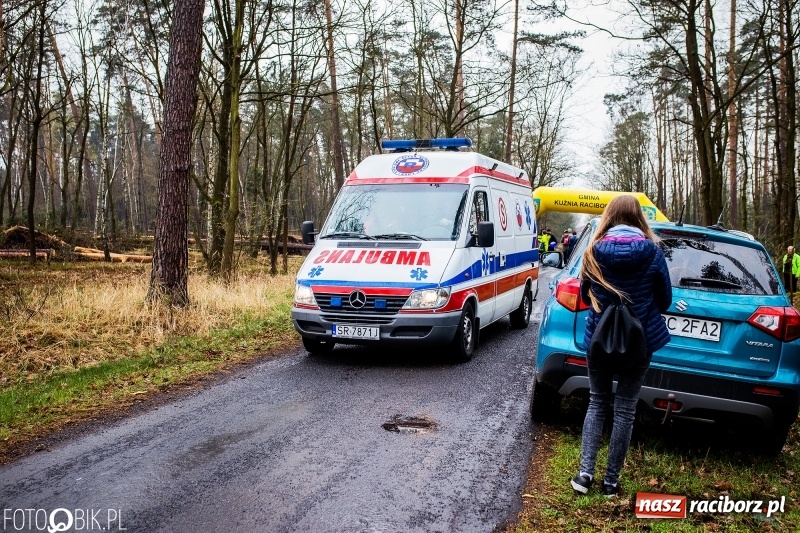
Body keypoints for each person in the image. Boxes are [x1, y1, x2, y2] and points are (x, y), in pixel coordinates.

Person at [571, 195, 672, 497]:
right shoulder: (653, 253)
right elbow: (665, 301)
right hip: (639, 343)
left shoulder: (593, 251)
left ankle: (585, 475)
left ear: (609, 216)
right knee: (625, 410)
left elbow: (584, 295)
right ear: (639, 218)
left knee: (597, 403)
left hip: (599, 339)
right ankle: (611, 483)